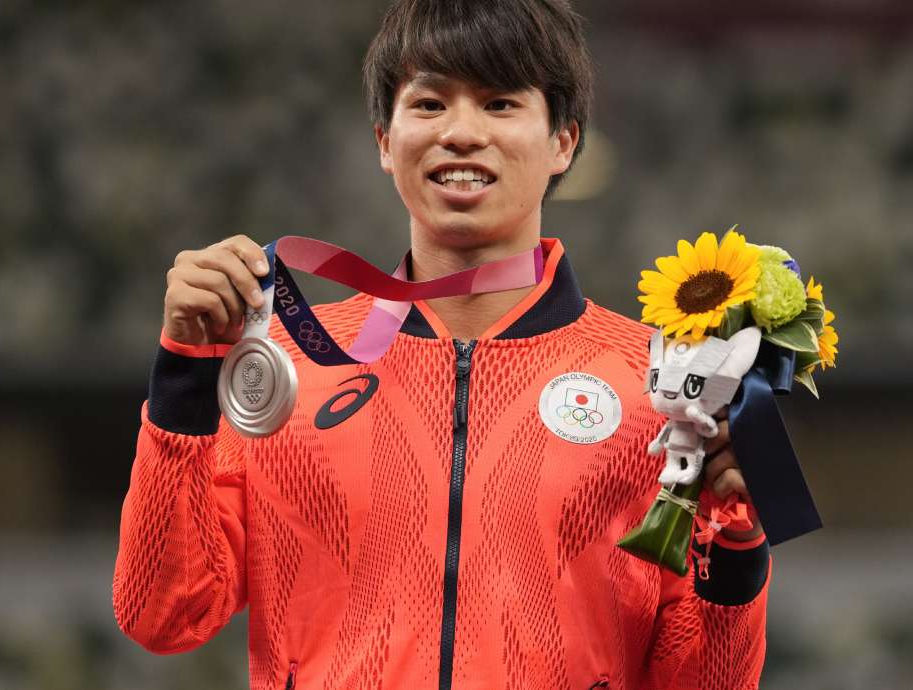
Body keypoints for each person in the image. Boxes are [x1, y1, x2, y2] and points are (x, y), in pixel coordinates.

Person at [113, 1, 771, 688]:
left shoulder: (663, 389)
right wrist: (185, 382)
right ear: (383, 140)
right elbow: (161, 615)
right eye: (428, 104)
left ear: (563, 142)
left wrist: (737, 549)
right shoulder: (283, 369)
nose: (461, 132)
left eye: (499, 103)